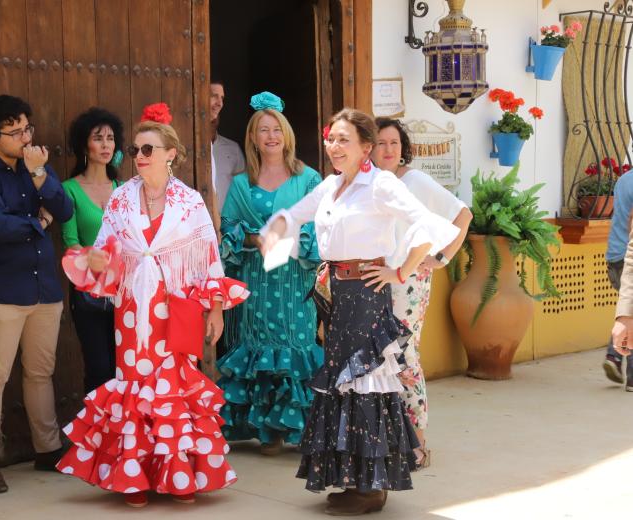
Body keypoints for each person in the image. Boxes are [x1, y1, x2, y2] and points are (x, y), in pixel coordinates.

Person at [260, 109, 459, 515]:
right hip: (337, 295)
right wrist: (272, 240)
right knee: (344, 383)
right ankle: (355, 479)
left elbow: (427, 223)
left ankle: (372, 489)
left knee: (367, 380)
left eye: (344, 140)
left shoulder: (381, 184)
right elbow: (292, 216)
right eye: (331, 139)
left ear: (365, 147)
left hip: (367, 294)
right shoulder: (330, 187)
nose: (334, 147)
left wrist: (400, 270)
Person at [56, 103, 249, 508]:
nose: (138, 157)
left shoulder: (190, 201)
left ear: (169, 154)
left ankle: (179, 475)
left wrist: (214, 309)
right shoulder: (122, 199)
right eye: (137, 149)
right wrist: (96, 259)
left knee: (175, 385)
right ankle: (136, 476)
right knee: (134, 385)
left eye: (148, 150)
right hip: (131, 309)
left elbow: (207, 257)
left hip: (175, 307)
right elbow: (106, 249)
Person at [0, 94, 73, 494]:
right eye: (15, 132)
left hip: (44, 289)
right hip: (4, 291)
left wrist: (41, 176)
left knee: (40, 373)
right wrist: (38, 220)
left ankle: (48, 449)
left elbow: (65, 209)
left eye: (28, 128)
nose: (25, 137)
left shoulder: (35, 166)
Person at [217, 92, 322, 455]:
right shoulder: (243, 183)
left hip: (294, 280)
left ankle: (300, 426)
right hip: (256, 277)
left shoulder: (308, 178)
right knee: (259, 345)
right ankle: (268, 430)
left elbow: (321, 224)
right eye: (263, 130)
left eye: (276, 129)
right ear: (253, 138)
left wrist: (288, 238)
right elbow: (228, 226)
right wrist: (252, 237)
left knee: (296, 344)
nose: (270, 136)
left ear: (286, 134)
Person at [372, 117, 472, 468]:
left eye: (394, 144)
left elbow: (462, 215)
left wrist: (442, 257)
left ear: (403, 150)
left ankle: (418, 442)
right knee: (376, 362)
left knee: (403, 358)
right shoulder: (366, 184)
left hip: (407, 283)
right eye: (381, 143)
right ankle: (384, 439)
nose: (387, 150)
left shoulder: (416, 181)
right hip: (372, 281)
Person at [62, 108, 126, 393]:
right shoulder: (69, 189)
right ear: (84, 144)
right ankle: (96, 434)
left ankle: (122, 434)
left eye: (110, 138)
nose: (106, 145)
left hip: (125, 291)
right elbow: (70, 241)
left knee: (123, 366)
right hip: (88, 291)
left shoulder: (124, 189)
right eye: (98, 138)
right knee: (98, 367)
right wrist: (90, 256)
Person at [602, 167, 633, 389]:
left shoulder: (623, 181)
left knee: (627, 313)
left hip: (615, 256)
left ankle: (613, 356)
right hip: (628, 256)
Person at [210, 80, 246, 211]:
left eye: (222, 98)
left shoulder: (233, 148)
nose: (219, 103)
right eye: (213, 95)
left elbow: (242, 189)